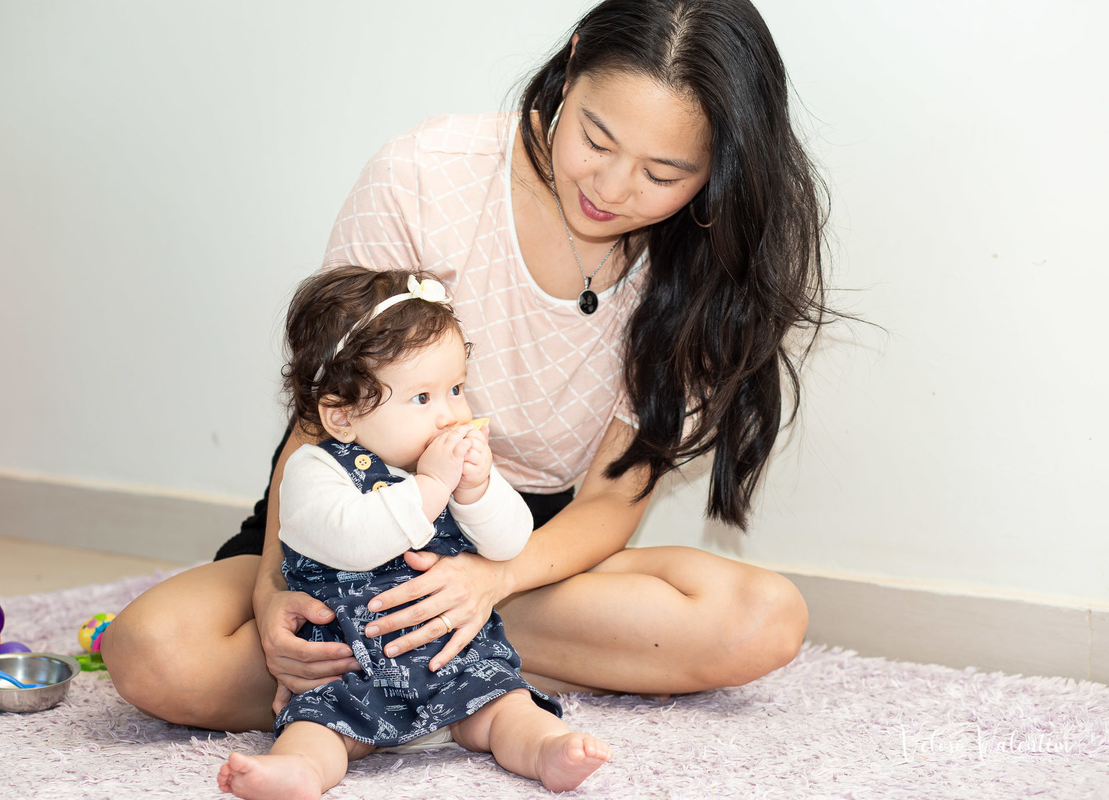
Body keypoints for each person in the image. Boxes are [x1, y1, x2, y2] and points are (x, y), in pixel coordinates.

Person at [103, 0, 826, 735]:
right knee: (154, 654)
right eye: (595, 139)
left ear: (718, 172)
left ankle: (422, 668)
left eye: (663, 173)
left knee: (761, 620)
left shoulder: (709, 271)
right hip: (349, 521)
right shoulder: (426, 175)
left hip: (523, 547)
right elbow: (324, 411)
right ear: (571, 64)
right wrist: (268, 586)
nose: (610, 188)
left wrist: (493, 581)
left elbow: (611, 501)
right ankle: (476, 675)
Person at [216, 266, 611, 799]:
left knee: (506, 705)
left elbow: (510, 543)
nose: (450, 414)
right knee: (315, 727)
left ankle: (546, 750)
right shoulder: (315, 470)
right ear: (342, 416)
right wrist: (430, 487)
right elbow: (352, 539)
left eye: (456, 388)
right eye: (422, 399)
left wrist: (478, 491)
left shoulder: (452, 469)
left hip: (456, 660)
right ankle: (299, 772)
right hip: (351, 667)